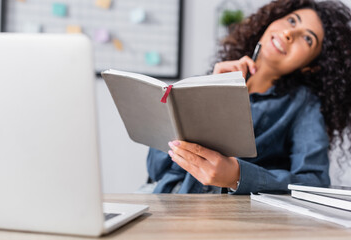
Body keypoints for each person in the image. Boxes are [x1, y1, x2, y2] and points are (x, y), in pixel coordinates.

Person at [146, 0, 351, 194]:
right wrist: (206, 94)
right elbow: (156, 169)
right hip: (164, 201)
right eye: (291, 20)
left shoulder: (302, 104)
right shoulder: (214, 77)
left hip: (228, 217)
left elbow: (314, 182)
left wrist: (237, 176)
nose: (289, 33)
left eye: (307, 39)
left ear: (311, 66)